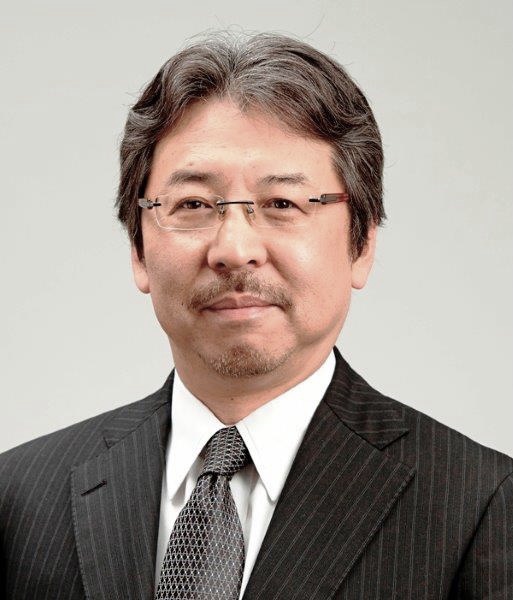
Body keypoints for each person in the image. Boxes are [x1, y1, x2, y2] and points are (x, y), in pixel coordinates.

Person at [0, 32, 511, 600]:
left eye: (282, 204)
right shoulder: (19, 497)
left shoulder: (481, 504)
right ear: (138, 251)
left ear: (362, 244)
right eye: (193, 204)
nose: (234, 249)